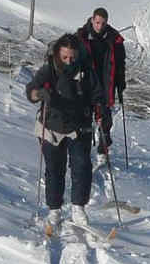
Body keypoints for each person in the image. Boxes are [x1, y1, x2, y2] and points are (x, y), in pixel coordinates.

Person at [26, 33, 107, 234]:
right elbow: (31, 91)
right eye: (64, 57)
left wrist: (100, 111)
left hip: (79, 126)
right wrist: (40, 94)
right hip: (52, 126)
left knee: (82, 166)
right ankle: (54, 210)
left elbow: (98, 95)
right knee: (54, 169)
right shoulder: (49, 70)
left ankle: (78, 208)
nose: (69, 61)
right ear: (57, 54)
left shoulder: (86, 71)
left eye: (72, 57)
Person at [75, 7, 126, 153]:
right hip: (87, 82)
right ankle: (82, 146)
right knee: (84, 115)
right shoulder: (81, 36)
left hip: (105, 82)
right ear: (92, 20)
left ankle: (104, 142)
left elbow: (120, 64)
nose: (100, 26)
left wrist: (121, 83)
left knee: (104, 115)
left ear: (107, 23)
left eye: (103, 23)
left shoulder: (114, 39)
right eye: (97, 22)